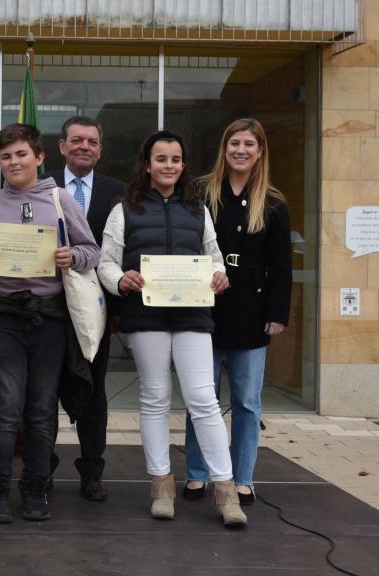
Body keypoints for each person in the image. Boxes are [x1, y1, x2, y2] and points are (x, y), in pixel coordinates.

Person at [96, 130, 246, 527]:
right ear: (147, 165)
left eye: (176, 159)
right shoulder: (123, 209)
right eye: (161, 159)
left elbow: (214, 257)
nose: (169, 166)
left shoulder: (198, 208)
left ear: (183, 165)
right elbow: (105, 262)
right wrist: (120, 279)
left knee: (203, 399)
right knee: (155, 397)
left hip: (193, 314)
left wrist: (219, 275)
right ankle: (161, 484)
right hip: (145, 316)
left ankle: (225, 488)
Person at [0, 123, 100, 523]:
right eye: (5, 157)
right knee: (6, 408)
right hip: (3, 316)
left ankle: (36, 487)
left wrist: (70, 258)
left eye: (21, 154)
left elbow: (91, 250)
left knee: (42, 409)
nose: (13, 162)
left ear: (40, 157)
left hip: (50, 318)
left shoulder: (60, 199)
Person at [184, 118, 292, 505]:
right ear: (224, 148)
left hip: (251, 309)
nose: (241, 150)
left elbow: (281, 265)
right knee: (203, 397)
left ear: (260, 150)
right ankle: (197, 473)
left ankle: (242, 476)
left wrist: (278, 314)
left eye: (249, 144)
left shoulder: (274, 202)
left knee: (247, 400)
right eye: (234, 143)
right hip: (204, 308)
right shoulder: (199, 191)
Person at [44, 116, 126, 502]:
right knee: (43, 393)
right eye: (76, 140)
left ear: (100, 149)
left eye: (92, 141)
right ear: (61, 146)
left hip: (96, 310)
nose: (84, 147)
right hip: (44, 308)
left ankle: (92, 471)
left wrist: (118, 311)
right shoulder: (40, 186)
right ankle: (41, 468)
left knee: (93, 393)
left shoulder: (119, 192)